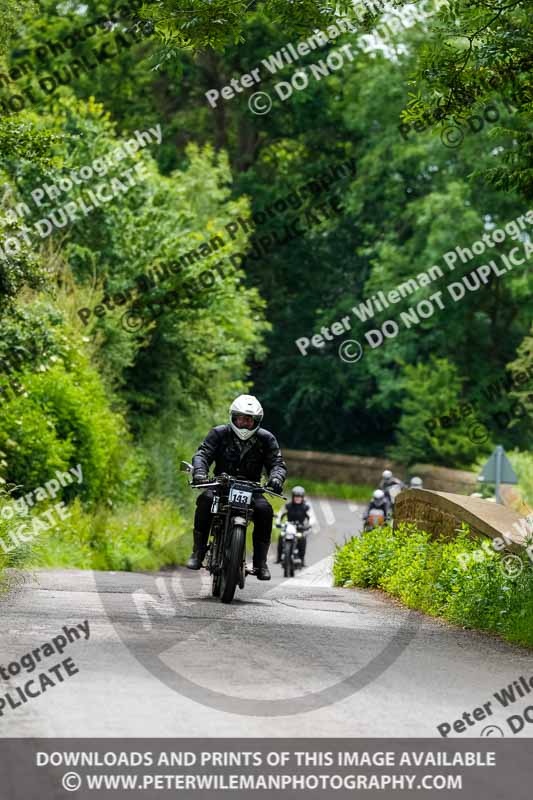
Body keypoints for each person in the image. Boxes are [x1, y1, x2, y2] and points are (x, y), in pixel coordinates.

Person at [186, 394, 287, 580]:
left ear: (256, 421)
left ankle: (260, 563)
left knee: (265, 510)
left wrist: (276, 479)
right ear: (233, 417)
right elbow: (203, 454)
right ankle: (197, 552)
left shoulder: (267, 439)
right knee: (205, 500)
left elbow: (277, 464)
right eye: (240, 418)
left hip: (252, 489)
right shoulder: (219, 433)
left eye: (248, 420)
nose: (243, 423)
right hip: (221, 485)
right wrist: (200, 472)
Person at [275, 485, 315, 567]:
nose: (297, 498)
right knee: (281, 536)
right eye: (296, 496)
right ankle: (279, 558)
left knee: (302, 539)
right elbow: (280, 514)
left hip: (300, 527)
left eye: (299, 497)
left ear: (302, 497)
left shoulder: (306, 507)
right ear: (293, 497)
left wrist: (309, 525)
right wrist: (278, 522)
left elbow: (311, 517)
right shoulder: (288, 506)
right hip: (289, 526)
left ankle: (302, 559)